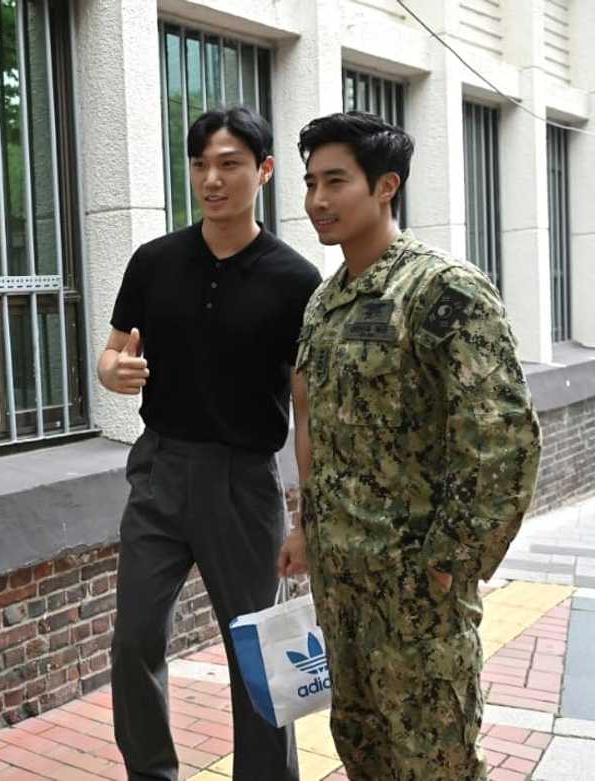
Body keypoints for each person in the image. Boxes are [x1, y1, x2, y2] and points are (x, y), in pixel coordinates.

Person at [279, 111, 542, 780]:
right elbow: (310, 416)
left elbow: (500, 437)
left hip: (416, 591)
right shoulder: (324, 301)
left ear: (385, 185)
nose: (316, 200)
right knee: (361, 747)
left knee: (435, 758)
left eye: (335, 181)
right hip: (341, 585)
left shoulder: (440, 289)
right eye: (311, 183)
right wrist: (306, 526)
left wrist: (452, 563)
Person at [101, 106, 322, 781]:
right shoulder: (154, 262)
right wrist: (115, 371)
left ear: (264, 170)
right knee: (134, 637)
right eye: (200, 164)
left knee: (256, 650)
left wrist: (308, 516)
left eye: (229, 164)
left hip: (244, 481)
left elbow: (308, 412)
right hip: (160, 471)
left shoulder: (296, 280)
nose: (212, 179)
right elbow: (111, 356)